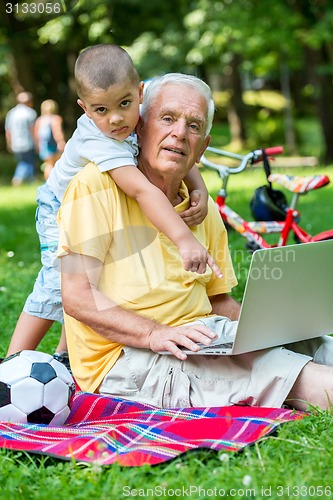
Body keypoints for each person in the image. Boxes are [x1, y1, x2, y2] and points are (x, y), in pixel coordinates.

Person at [58, 72, 333, 412]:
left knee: (317, 344)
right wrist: (153, 334)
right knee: (293, 375)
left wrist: (263, 327)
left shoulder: (201, 210)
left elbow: (217, 300)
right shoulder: (93, 186)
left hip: (203, 336)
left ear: (202, 146)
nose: (179, 133)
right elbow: (76, 296)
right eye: (168, 118)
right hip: (129, 358)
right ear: (139, 126)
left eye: (193, 125)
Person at [6, 45, 218, 370]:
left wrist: (198, 186)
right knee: (58, 282)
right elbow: (142, 191)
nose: (116, 118)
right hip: (57, 205)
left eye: (124, 104)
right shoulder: (100, 139)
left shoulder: (128, 119)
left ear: (140, 94)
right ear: (85, 109)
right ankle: (11, 365)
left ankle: (64, 353)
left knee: (98, 273)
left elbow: (177, 148)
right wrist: (184, 240)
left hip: (92, 206)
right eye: (101, 110)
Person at [5, 91, 37, 186]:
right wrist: (37, 143)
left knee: (23, 161)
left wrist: (9, 143)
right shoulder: (30, 113)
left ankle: (29, 181)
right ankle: (19, 180)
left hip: (16, 143)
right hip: (28, 142)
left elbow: (8, 130)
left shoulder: (11, 113)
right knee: (28, 162)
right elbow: (33, 130)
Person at [34, 99, 66, 180]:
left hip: (43, 145)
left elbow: (36, 134)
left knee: (48, 164)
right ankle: (54, 181)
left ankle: (47, 182)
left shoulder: (39, 120)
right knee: (56, 164)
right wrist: (61, 142)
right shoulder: (56, 119)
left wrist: (37, 145)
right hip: (53, 144)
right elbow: (57, 132)